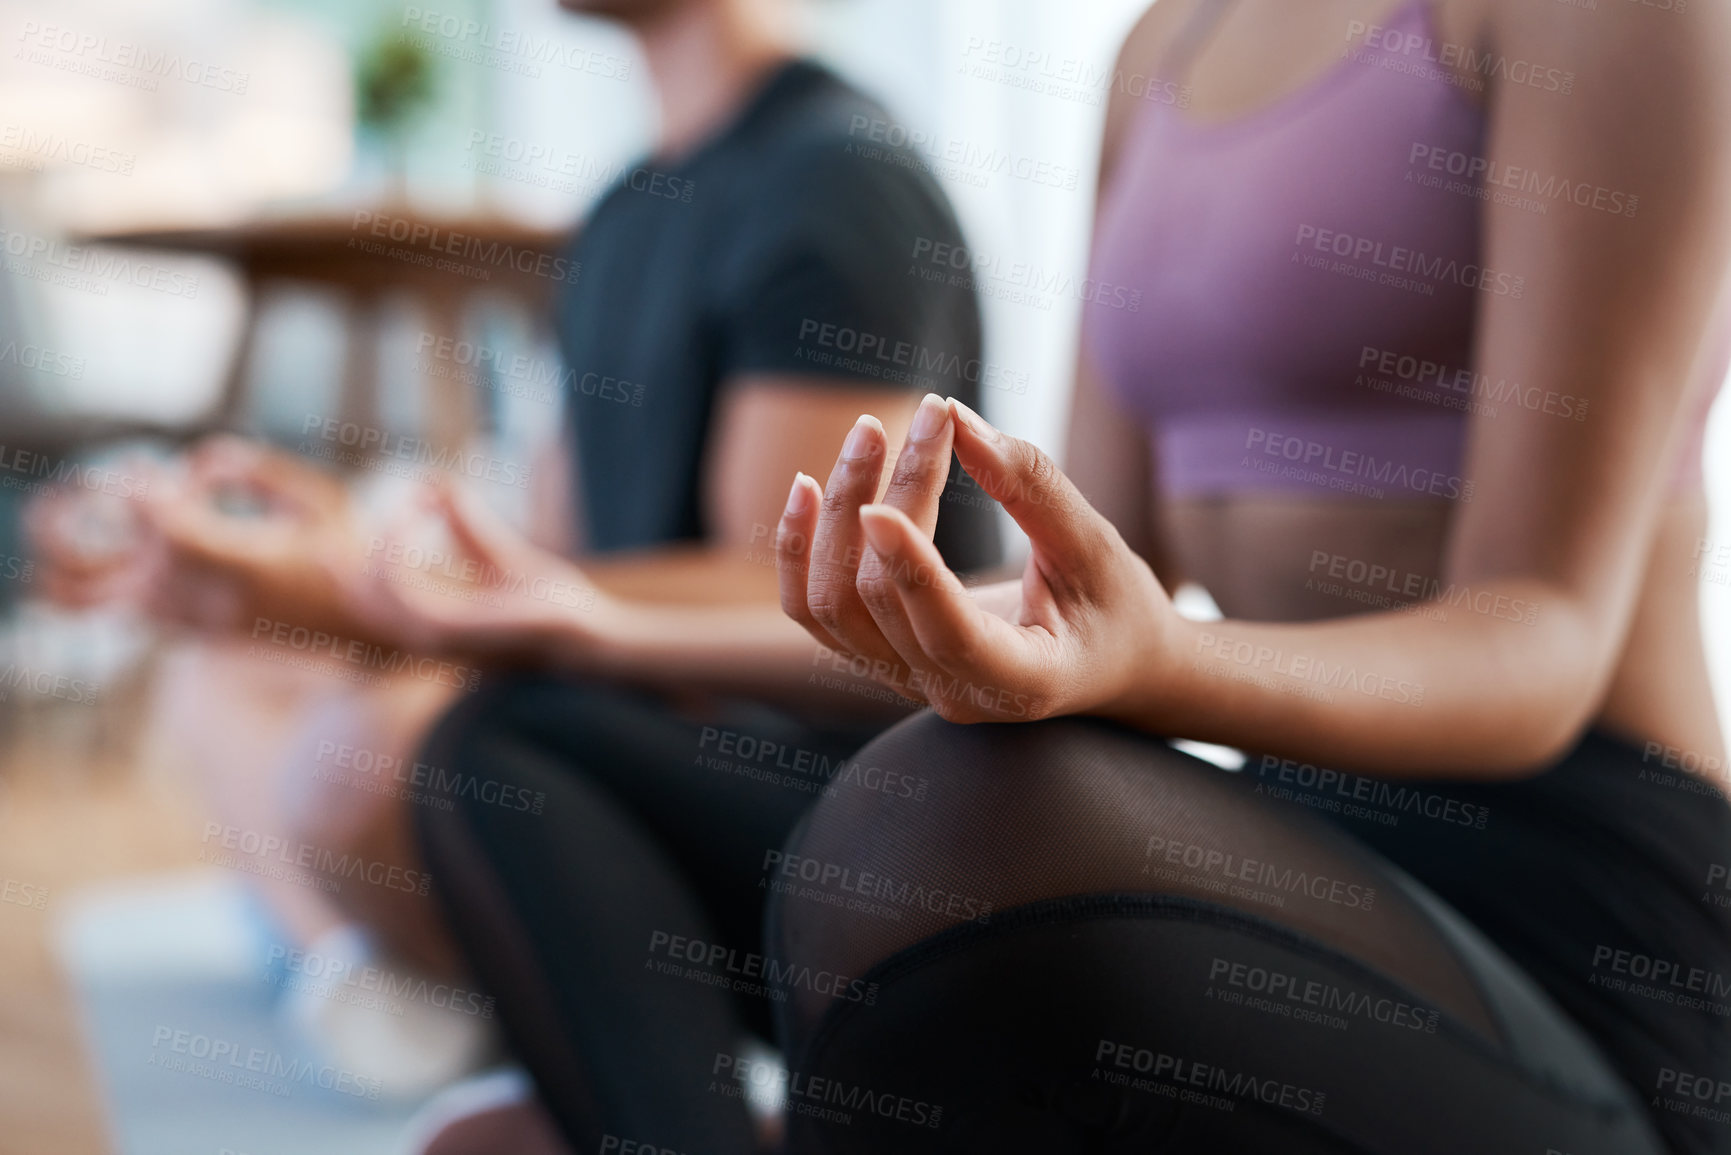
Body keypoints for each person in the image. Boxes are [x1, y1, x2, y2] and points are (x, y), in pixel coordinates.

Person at [767, 0, 1731, 1152]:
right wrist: (596, 626)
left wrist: (1160, 660)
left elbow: (1544, 639)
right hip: (1312, 837)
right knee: (555, 731)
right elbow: (1075, 590)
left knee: (928, 825)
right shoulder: (1160, 48)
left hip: (1582, 902)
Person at [28, 0, 998, 1130]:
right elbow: (555, 559)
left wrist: (352, 590)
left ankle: (401, 974)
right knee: (227, 666)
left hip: (782, 767)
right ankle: (380, 980)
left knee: (380, 753)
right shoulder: (625, 211)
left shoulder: (842, 182)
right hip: (622, 693)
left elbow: (786, 605)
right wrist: (309, 554)